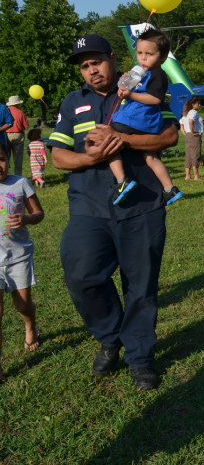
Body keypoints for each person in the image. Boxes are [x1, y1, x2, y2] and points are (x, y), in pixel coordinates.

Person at [48, 33, 179, 390]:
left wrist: (123, 141)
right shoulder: (73, 102)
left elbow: (169, 137)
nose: (91, 71)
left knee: (141, 286)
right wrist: (91, 156)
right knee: (82, 275)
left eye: (97, 62)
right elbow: (57, 155)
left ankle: (140, 358)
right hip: (89, 206)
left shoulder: (146, 83)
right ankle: (110, 336)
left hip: (142, 205)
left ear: (113, 58)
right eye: (84, 66)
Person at [107, 29, 182, 206]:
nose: (143, 58)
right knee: (151, 157)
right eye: (139, 53)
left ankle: (121, 181)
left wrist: (130, 95)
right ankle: (169, 189)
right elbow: (124, 87)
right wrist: (125, 83)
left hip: (135, 120)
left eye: (150, 54)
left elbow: (156, 99)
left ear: (162, 57)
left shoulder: (158, 75)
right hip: (147, 124)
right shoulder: (142, 73)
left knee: (109, 142)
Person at [0, 141, 45, 383]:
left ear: (8, 159)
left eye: (1, 159)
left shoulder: (20, 183)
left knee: (23, 305)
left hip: (18, 257)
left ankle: (30, 326)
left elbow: (39, 213)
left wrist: (26, 219)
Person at [6, 96, 28, 177]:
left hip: (6, 135)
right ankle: (17, 176)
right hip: (18, 134)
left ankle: (4, 176)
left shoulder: (5, 111)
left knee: (5, 156)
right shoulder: (20, 112)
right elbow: (26, 126)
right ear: (17, 104)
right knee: (18, 158)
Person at [181, 97, 203, 181]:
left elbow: (181, 123)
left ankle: (187, 175)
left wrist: (185, 133)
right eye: (198, 104)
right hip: (194, 136)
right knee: (195, 154)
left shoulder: (186, 113)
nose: (200, 105)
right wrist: (192, 131)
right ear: (193, 105)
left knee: (189, 154)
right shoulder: (193, 112)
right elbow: (191, 121)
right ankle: (196, 176)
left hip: (188, 136)